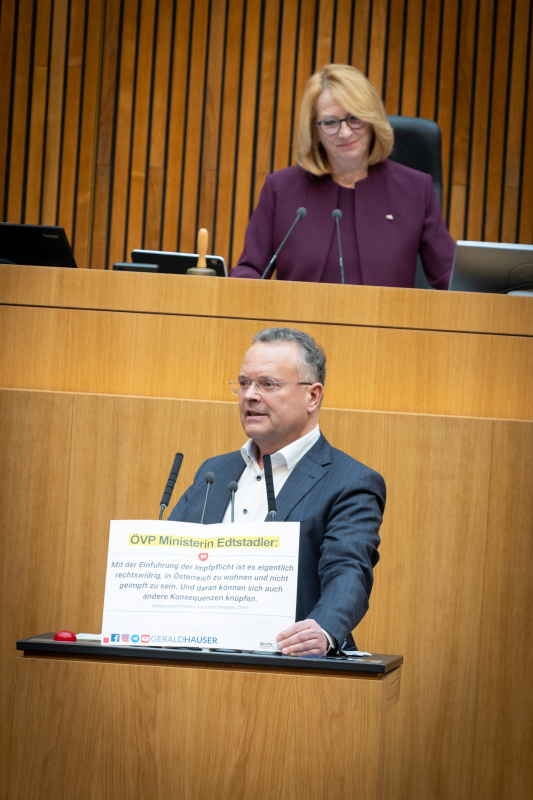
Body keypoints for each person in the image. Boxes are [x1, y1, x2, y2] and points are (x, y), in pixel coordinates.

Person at [168, 327, 386, 658]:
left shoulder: (350, 481)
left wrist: (324, 629)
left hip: (290, 672)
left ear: (313, 396)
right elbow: (172, 557)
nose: (250, 395)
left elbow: (349, 571)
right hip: (196, 666)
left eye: (268, 384)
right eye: (244, 383)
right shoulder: (215, 472)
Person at [230, 63, 455, 289]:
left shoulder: (415, 190)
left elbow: (450, 276)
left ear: (372, 119)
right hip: (298, 322)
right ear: (315, 131)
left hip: (386, 323)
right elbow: (251, 270)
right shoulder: (280, 189)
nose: (345, 132)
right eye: (330, 122)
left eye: (355, 118)